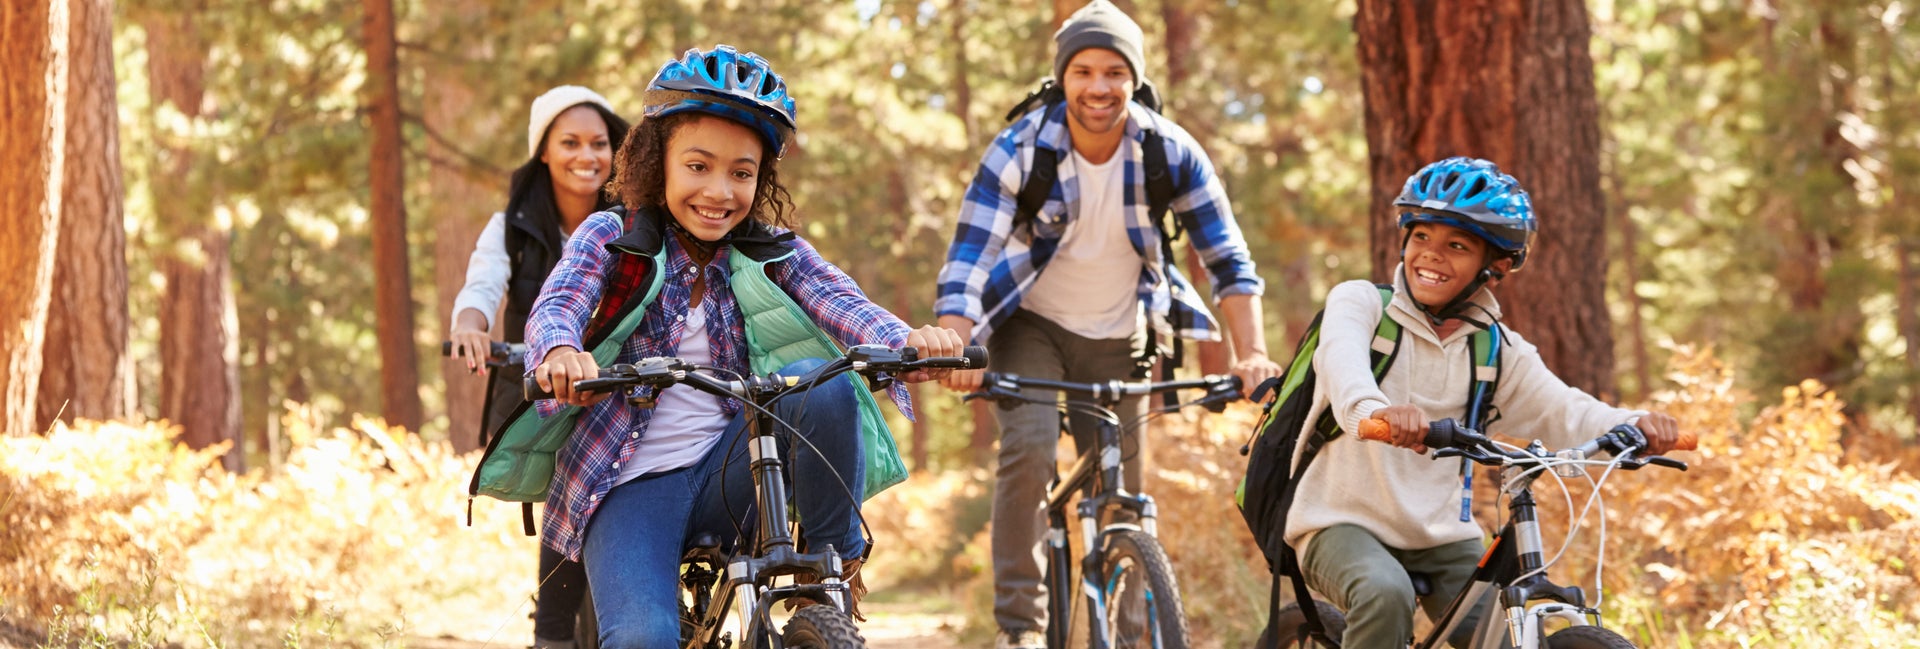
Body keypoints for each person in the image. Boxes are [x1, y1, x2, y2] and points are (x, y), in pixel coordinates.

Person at [523, 45, 964, 648]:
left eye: (741, 172)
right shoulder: (614, 235)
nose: (720, 191)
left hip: (738, 475)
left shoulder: (770, 251)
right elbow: (560, 302)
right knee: (641, 640)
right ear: (659, 164)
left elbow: (846, 305)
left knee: (823, 380)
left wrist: (909, 344)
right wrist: (558, 352)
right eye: (698, 166)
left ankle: (827, 579)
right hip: (630, 484)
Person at [932, 2, 1283, 646]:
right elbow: (969, 260)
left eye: (1115, 71)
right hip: (1030, 325)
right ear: (1063, 77)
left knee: (1123, 490)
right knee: (1031, 447)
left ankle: (1125, 632)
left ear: (1135, 78)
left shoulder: (1170, 153)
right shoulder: (1020, 148)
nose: (1099, 87)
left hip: (1124, 331)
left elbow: (1228, 261)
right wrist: (954, 345)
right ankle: (1021, 627)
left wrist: (1252, 352)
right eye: (1084, 71)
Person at [1282, 156, 1683, 648]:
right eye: (1421, 236)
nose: (1430, 255)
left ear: (1494, 266)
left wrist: (1634, 425)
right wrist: (1376, 412)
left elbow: (1565, 410)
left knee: (1502, 633)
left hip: (1443, 535)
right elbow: (1345, 373)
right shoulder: (1361, 303)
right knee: (1383, 593)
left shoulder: (1495, 349)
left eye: (1456, 245)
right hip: (1340, 521)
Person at [447, 84, 630, 649]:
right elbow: (483, 282)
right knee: (569, 483)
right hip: (549, 387)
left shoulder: (638, 217)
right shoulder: (512, 226)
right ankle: (552, 637)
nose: (587, 156)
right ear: (544, 152)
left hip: (628, 383)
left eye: (599, 143)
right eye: (569, 142)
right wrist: (471, 326)